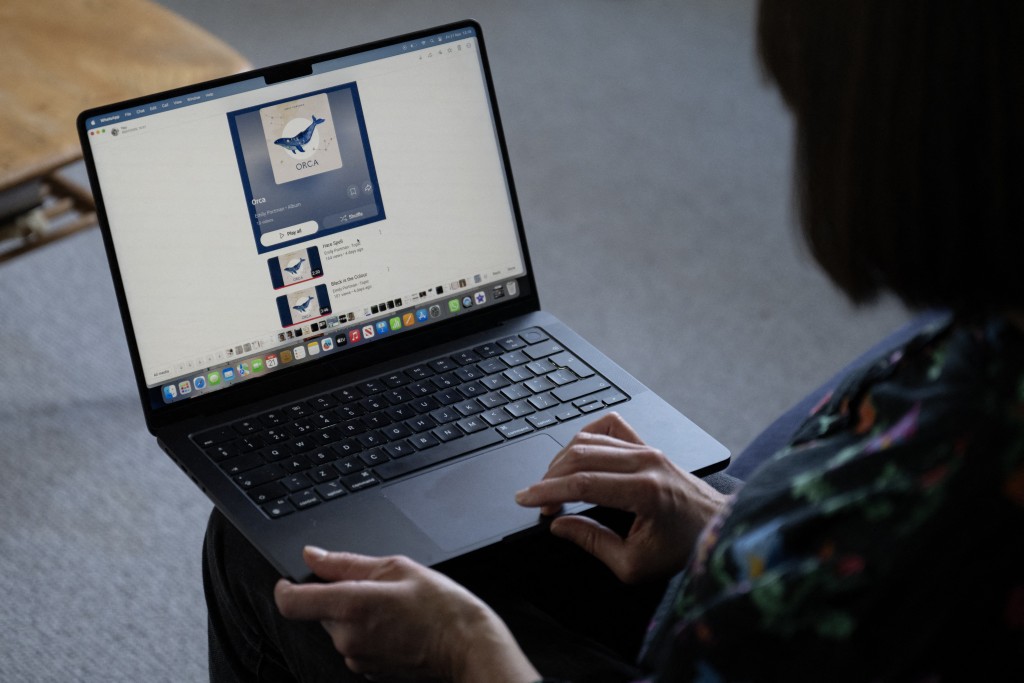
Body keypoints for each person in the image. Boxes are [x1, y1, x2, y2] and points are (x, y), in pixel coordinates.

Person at [203, 1, 1024, 680]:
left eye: (806, 105)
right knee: (547, 519)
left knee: (261, 553)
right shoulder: (978, 366)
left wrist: (471, 653)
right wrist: (726, 517)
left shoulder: (939, 492)